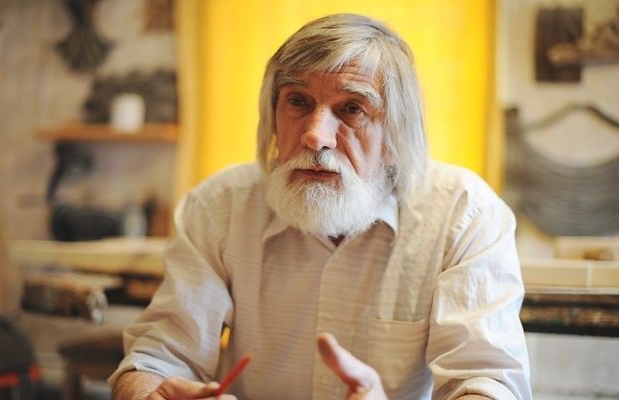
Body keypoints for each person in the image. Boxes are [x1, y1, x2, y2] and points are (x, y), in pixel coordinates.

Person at [109, 13, 532, 400]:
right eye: (298, 101)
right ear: (272, 116)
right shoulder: (219, 207)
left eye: (352, 108)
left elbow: (487, 382)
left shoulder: (464, 213)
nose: (316, 136)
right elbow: (159, 358)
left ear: (396, 133)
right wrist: (149, 394)